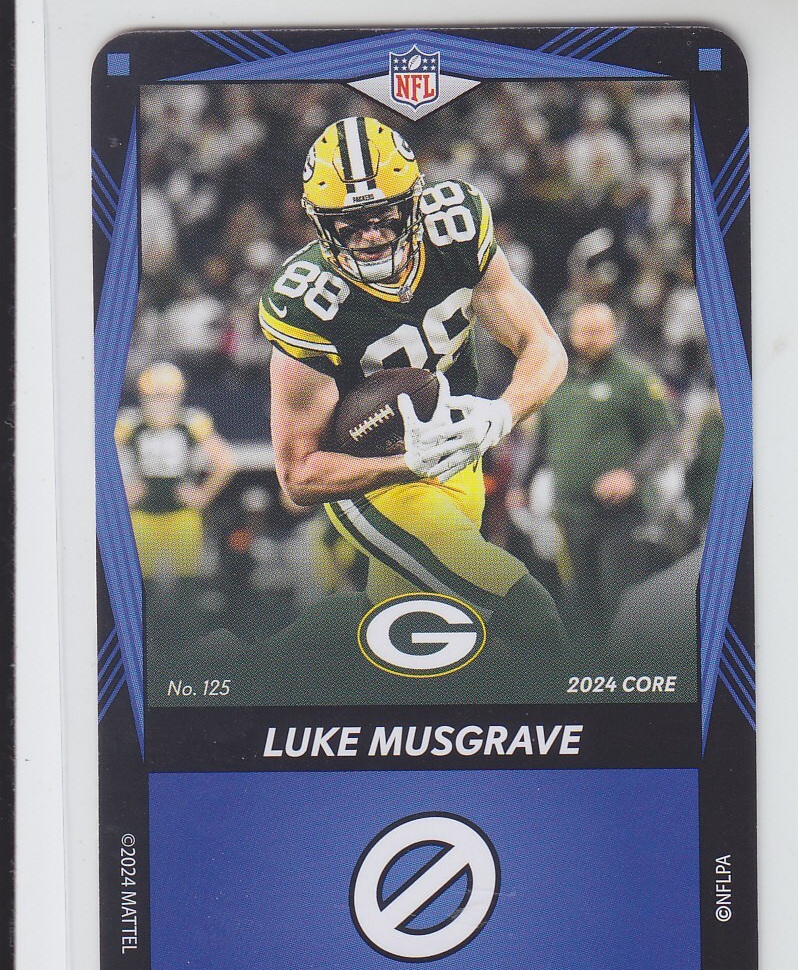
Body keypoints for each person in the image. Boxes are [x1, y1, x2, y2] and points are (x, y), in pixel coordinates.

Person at [258, 116, 570, 666]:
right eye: (350, 224)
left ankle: (250, 665)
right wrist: (406, 464)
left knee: (403, 624)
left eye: (384, 216)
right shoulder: (306, 304)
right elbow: (298, 476)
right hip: (373, 480)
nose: (372, 235)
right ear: (320, 223)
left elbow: (543, 345)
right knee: (519, 606)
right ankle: (581, 706)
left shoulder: (456, 229)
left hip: (462, 455)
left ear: (415, 201)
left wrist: (500, 415)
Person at [511, 302, 674, 639]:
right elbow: (540, 442)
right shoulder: (557, 380)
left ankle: (628, 667)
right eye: (584, 331)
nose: (590, 338)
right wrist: (520, 484)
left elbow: (664, 436)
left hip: (620, 514)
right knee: (578, 601)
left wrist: (632, 475)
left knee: (621, 600)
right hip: (569, 511)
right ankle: (585, 667)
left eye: (598, 331)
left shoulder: (635, 377)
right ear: (570, 334)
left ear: (614, 332)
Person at [115, 363, 236, 581]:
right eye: (155, 397)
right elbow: (97, 462)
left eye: (167, 397)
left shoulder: (192, 421)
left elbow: (226, 463)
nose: (161, 404)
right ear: (143, 397)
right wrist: (120, 495)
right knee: (141, 580)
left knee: (187, 580)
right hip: (141, 513)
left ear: (178, 397)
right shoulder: (129, 423)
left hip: (182, 513)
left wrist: (204, 494)